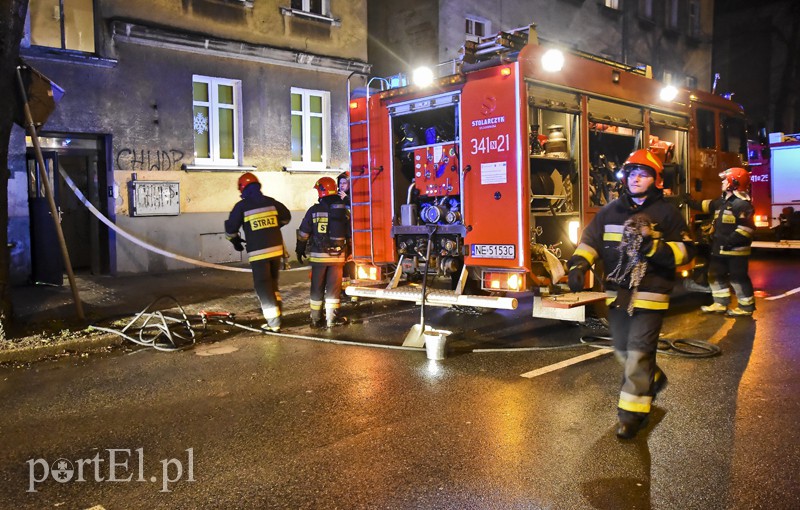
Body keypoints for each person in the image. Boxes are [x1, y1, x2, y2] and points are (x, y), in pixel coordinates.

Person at [567, 149, 695, 440]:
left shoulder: (667, 214)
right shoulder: (610, 211)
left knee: (637, 352)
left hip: (651, 295)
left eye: (643, 174)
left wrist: (655, 249)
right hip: (618, 295)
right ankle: (654, 377)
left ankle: (631, 416)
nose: (636, 178)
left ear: (655, 180)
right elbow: (590, 241)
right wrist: (578, 265)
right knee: (623, 349)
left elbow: (687, 253)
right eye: (632, 173)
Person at [684, 167, 756, 317]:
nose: (722, 182)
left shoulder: (742, 205)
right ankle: (720, 303)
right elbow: (705, 206)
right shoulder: (722, 202)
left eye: (725, 180)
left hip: (736, 252)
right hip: (719, 249)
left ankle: (746, 307)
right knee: (715, 275)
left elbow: (746, 230)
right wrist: (690, 202)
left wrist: (729, 242)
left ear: (733, 182)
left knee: (737, 278)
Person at [225, 172, 291, 332]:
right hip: (276, 251)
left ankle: (274, 324)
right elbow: (286, 217)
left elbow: (230, 229)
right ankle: (278, 315)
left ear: (242, 188)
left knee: (263, 286)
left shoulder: (242, 206)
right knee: (273, 284)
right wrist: (272, 228)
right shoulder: (271, 202)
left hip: (259, 253)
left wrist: (235, 242)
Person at [296, 177, 351, 329]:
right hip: (338, 257)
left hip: (319, 258)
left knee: (317, 288)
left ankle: (315, 320)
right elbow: (349, 234)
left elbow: (303, 234)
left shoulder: (314, 210)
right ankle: (332, 319)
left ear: (321, 191)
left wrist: (299, 249)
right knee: (334, 289)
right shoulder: (343, 210)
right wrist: (349, 253)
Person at [337, 171, 357, 283]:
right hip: (341, 234)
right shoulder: (336, 197)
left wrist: (347, 199)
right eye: (340, 183)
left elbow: (357, 209)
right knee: (342, 258)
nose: (342, 185)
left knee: (351, 258)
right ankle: (343, 282)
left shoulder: (352, 197)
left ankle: (354, 280)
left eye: (344, 183)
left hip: (351, 234)